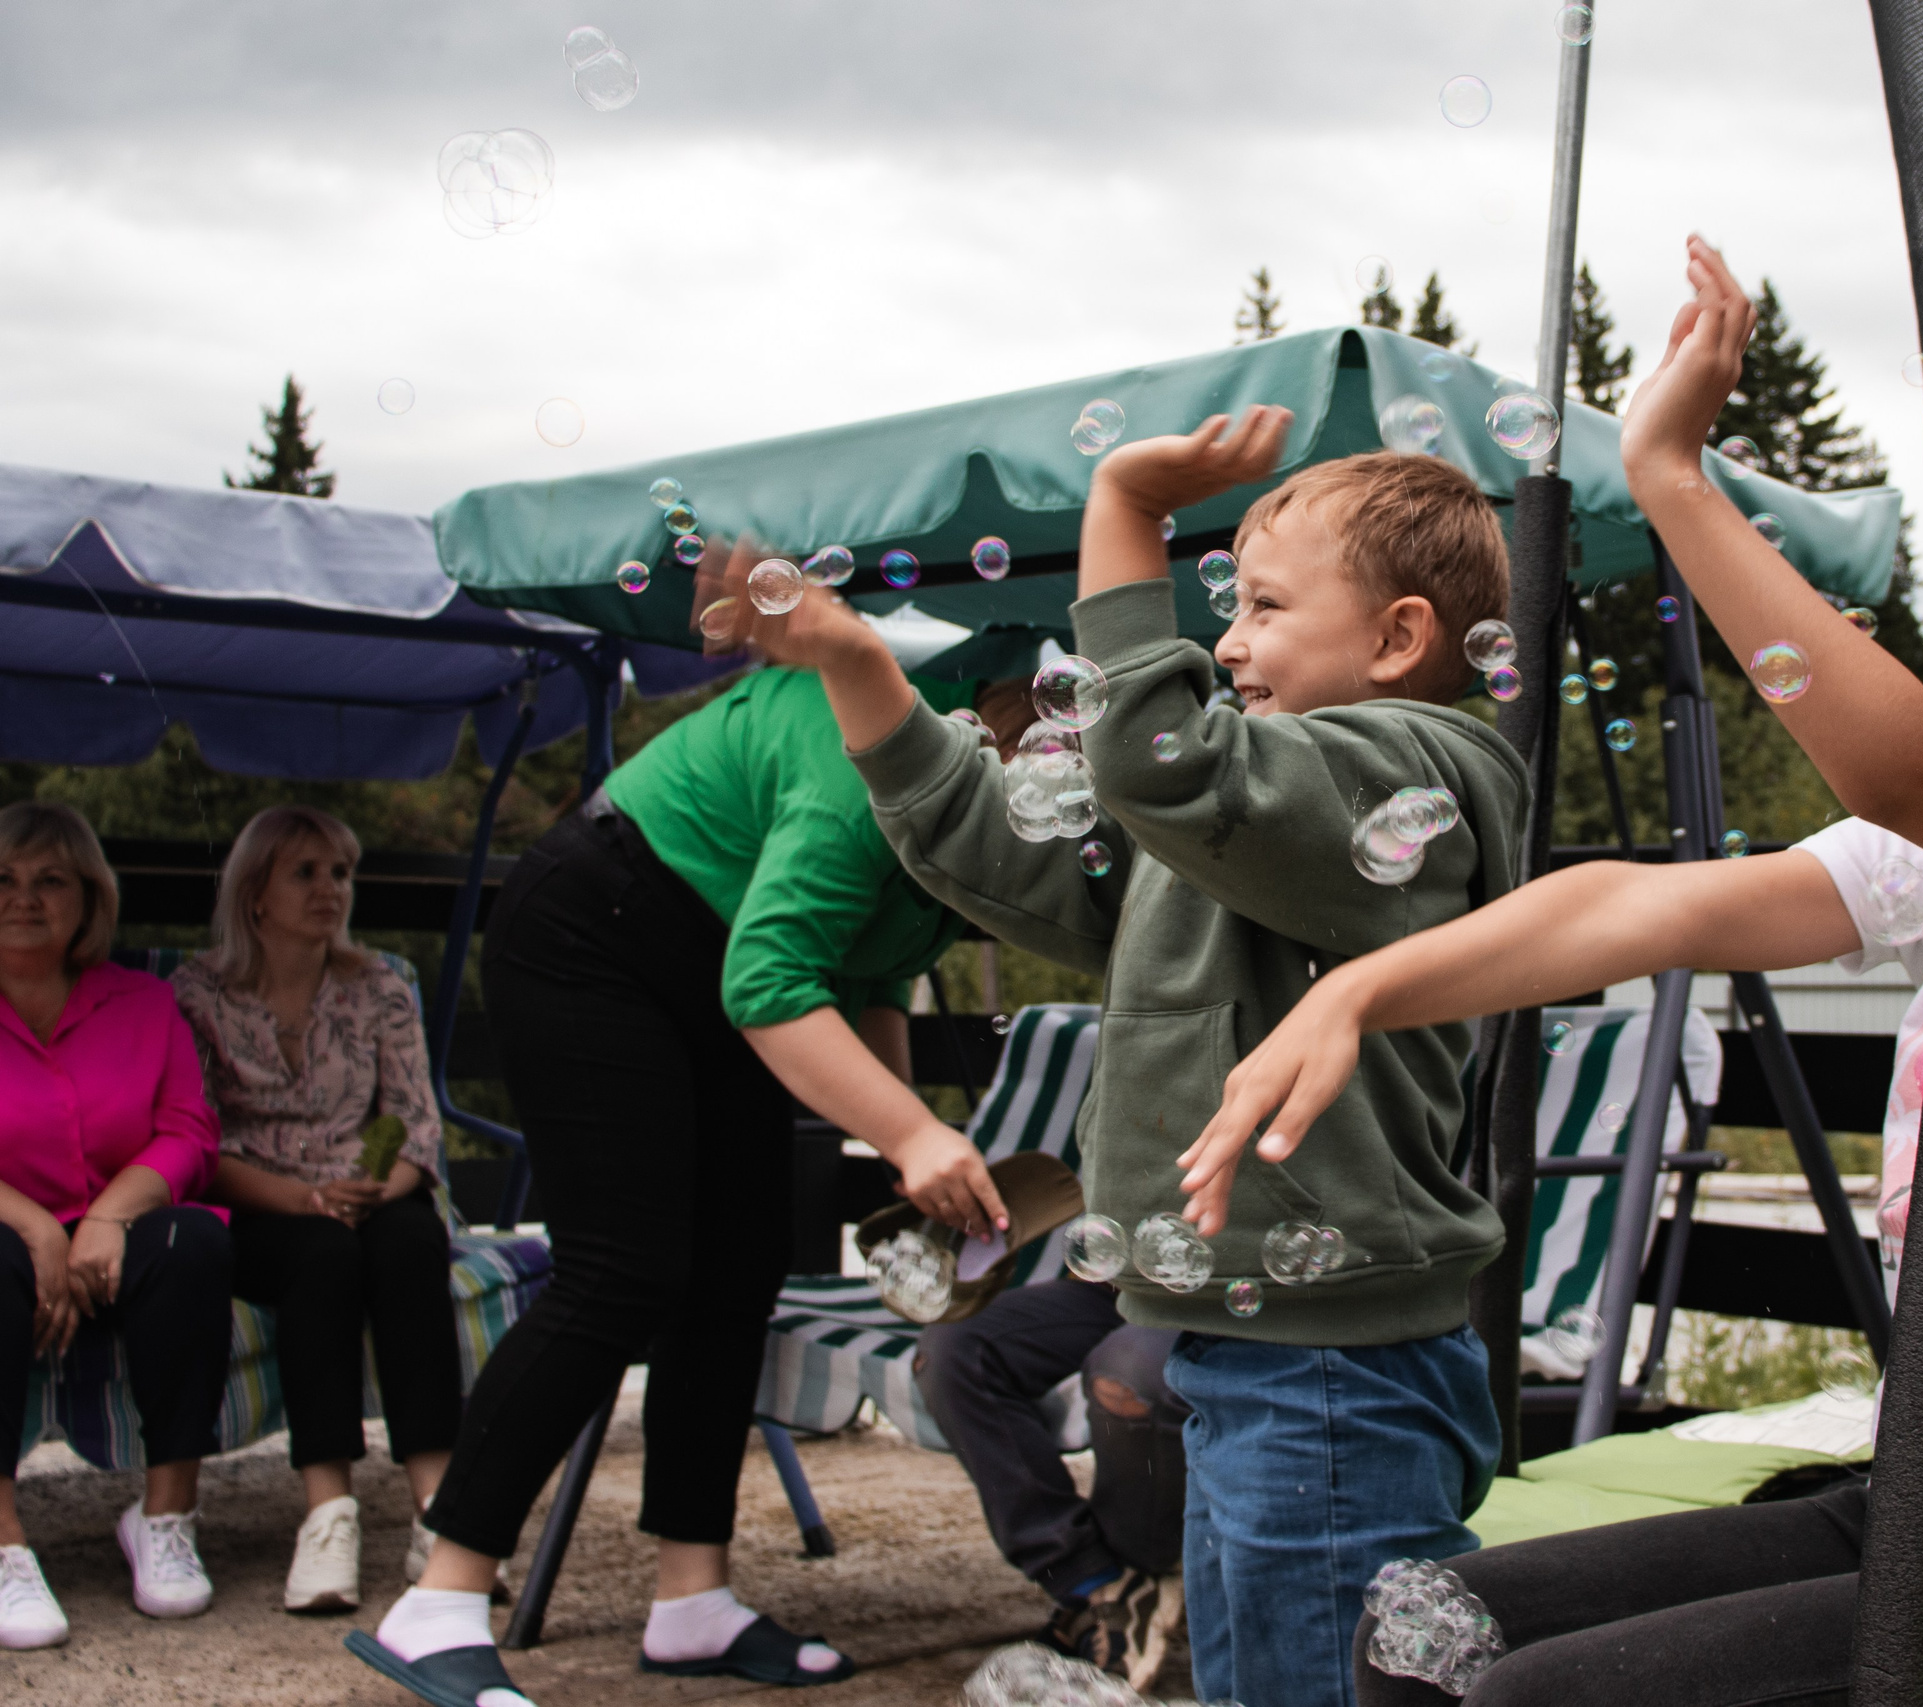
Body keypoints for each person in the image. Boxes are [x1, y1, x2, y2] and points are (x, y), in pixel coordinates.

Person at [1185, 239, 1923, 1707]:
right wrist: (1356, 990)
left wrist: (1671, 476)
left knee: (1539, 1697)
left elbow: (1910, 767)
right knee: (1422, 1623)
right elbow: (1625, 906)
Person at [754, 417, 1525, 1707]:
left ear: (1397, 639)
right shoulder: (1237, 825)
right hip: (1236, 1350)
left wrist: (1123, 511)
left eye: (1265, 605)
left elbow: (1172, 765)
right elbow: (1010, 849)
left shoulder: (1421, 775)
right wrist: (856, 664)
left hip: (1336, 1372)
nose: (1226, 640)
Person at [353, 567, 1013, 1707]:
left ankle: (692, 1602)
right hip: (598, 931)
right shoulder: (873, 748)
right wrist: (912, 1132)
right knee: (624, 1270)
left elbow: (867, 971)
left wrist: (897, 1150)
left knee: (737, 1268)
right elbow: (771, 979)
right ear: (1008, 720)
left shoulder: (991, 820)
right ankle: (441, 1598)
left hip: (737, 970)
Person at [170, 805, 463, 1616]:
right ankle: (327, 1511)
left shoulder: (379, 984)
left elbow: (409, 1117)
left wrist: (376, 1185)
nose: (330, 889)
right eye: (306, 872)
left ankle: (438, 1511)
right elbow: (197, 1137)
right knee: (321, 1255)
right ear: (255, 892)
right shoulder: (197, 994)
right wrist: (305, 1199)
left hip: (367, 1189)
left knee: (411, 1241)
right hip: (261, 1201)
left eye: (340, 872)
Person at [0, 801, 231, 1647]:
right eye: (4, 878)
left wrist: (103, 1216)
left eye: (49, 879)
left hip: (114, 1229)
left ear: (88, 898)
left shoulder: (143, 1001)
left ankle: (166, 1517)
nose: (24, 896)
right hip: (7, 1231)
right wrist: (39, 1229)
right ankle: (2, 1541)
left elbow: (186, 1131)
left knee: (193, 1243)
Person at [918, 1279, 1190, 1687]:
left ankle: (1142, 1565)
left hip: (1220, 1304)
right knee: (953, 1348)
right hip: (1120, 1284)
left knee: (1129, 1372)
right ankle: (1091, 1581)